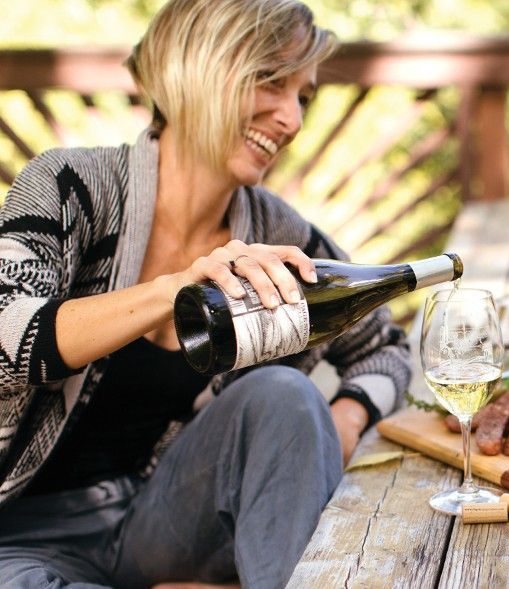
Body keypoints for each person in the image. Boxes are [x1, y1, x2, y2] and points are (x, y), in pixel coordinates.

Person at [0, 0, 411, 587]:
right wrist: (174, 289)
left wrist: (343, 425)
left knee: (286, 395)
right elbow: (7, 336)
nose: (291, 120)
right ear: (199, 68)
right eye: (271, 82)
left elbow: (386, 347)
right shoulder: (70, 189)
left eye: (304, 97)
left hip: (159, 522)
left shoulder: (277, 236)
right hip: (16, 539)